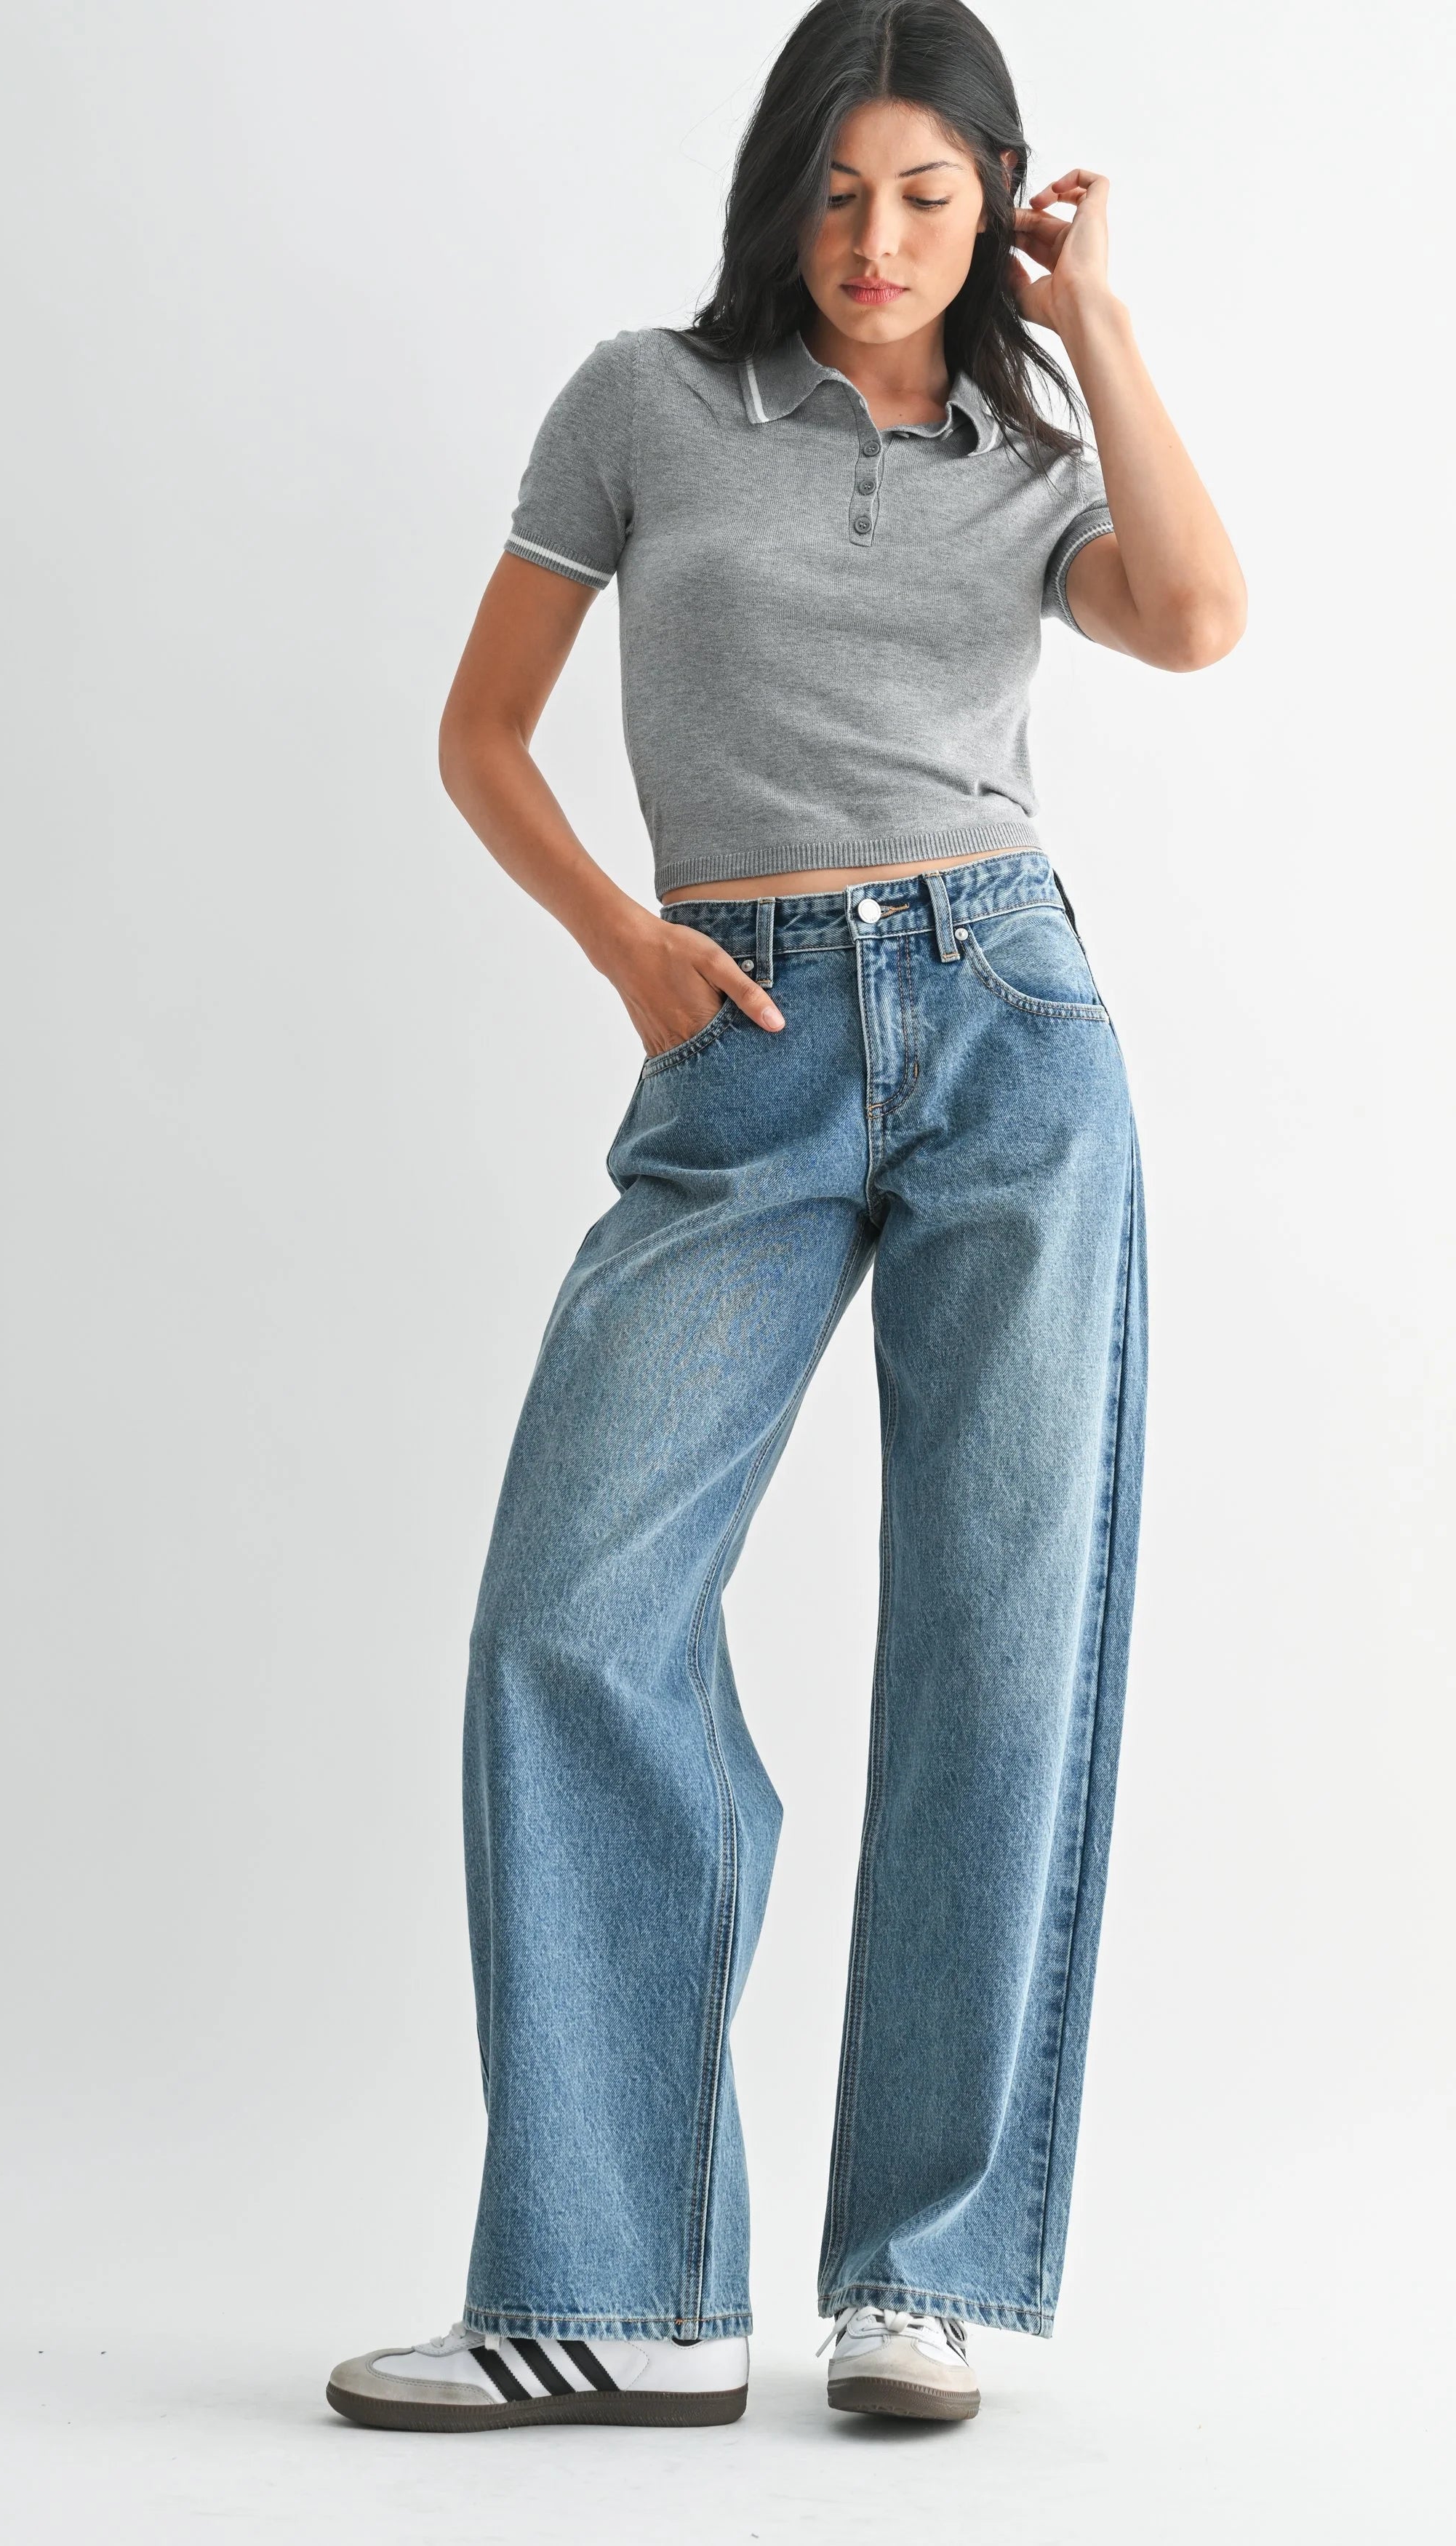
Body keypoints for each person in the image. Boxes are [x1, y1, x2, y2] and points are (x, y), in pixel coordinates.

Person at [327, 0, 1244, 2434]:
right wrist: (623, 945)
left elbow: (1198, 616)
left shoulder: (1030, 456)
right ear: (780, 191)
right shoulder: (645, 404)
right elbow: (483, 732)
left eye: (930, 196)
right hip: (733, 1033)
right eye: (839, 190)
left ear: (997, 208)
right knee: (572, 1610)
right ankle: (618, 2282)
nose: (876, 239)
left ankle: (919, 2276)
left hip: (1009, 1024)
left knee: (995, 1635)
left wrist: (1098, 324)